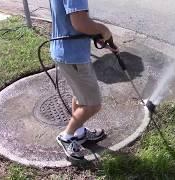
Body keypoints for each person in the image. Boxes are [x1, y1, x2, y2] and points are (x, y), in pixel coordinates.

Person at [50, 0, 118, 160]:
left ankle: (79, 133)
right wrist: (104, 31)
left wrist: (97, 35)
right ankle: (66, 137)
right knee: (93, 104)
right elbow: (80, 23)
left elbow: (71, 21)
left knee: (80, 96)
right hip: (73, 56)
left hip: (65, 51)